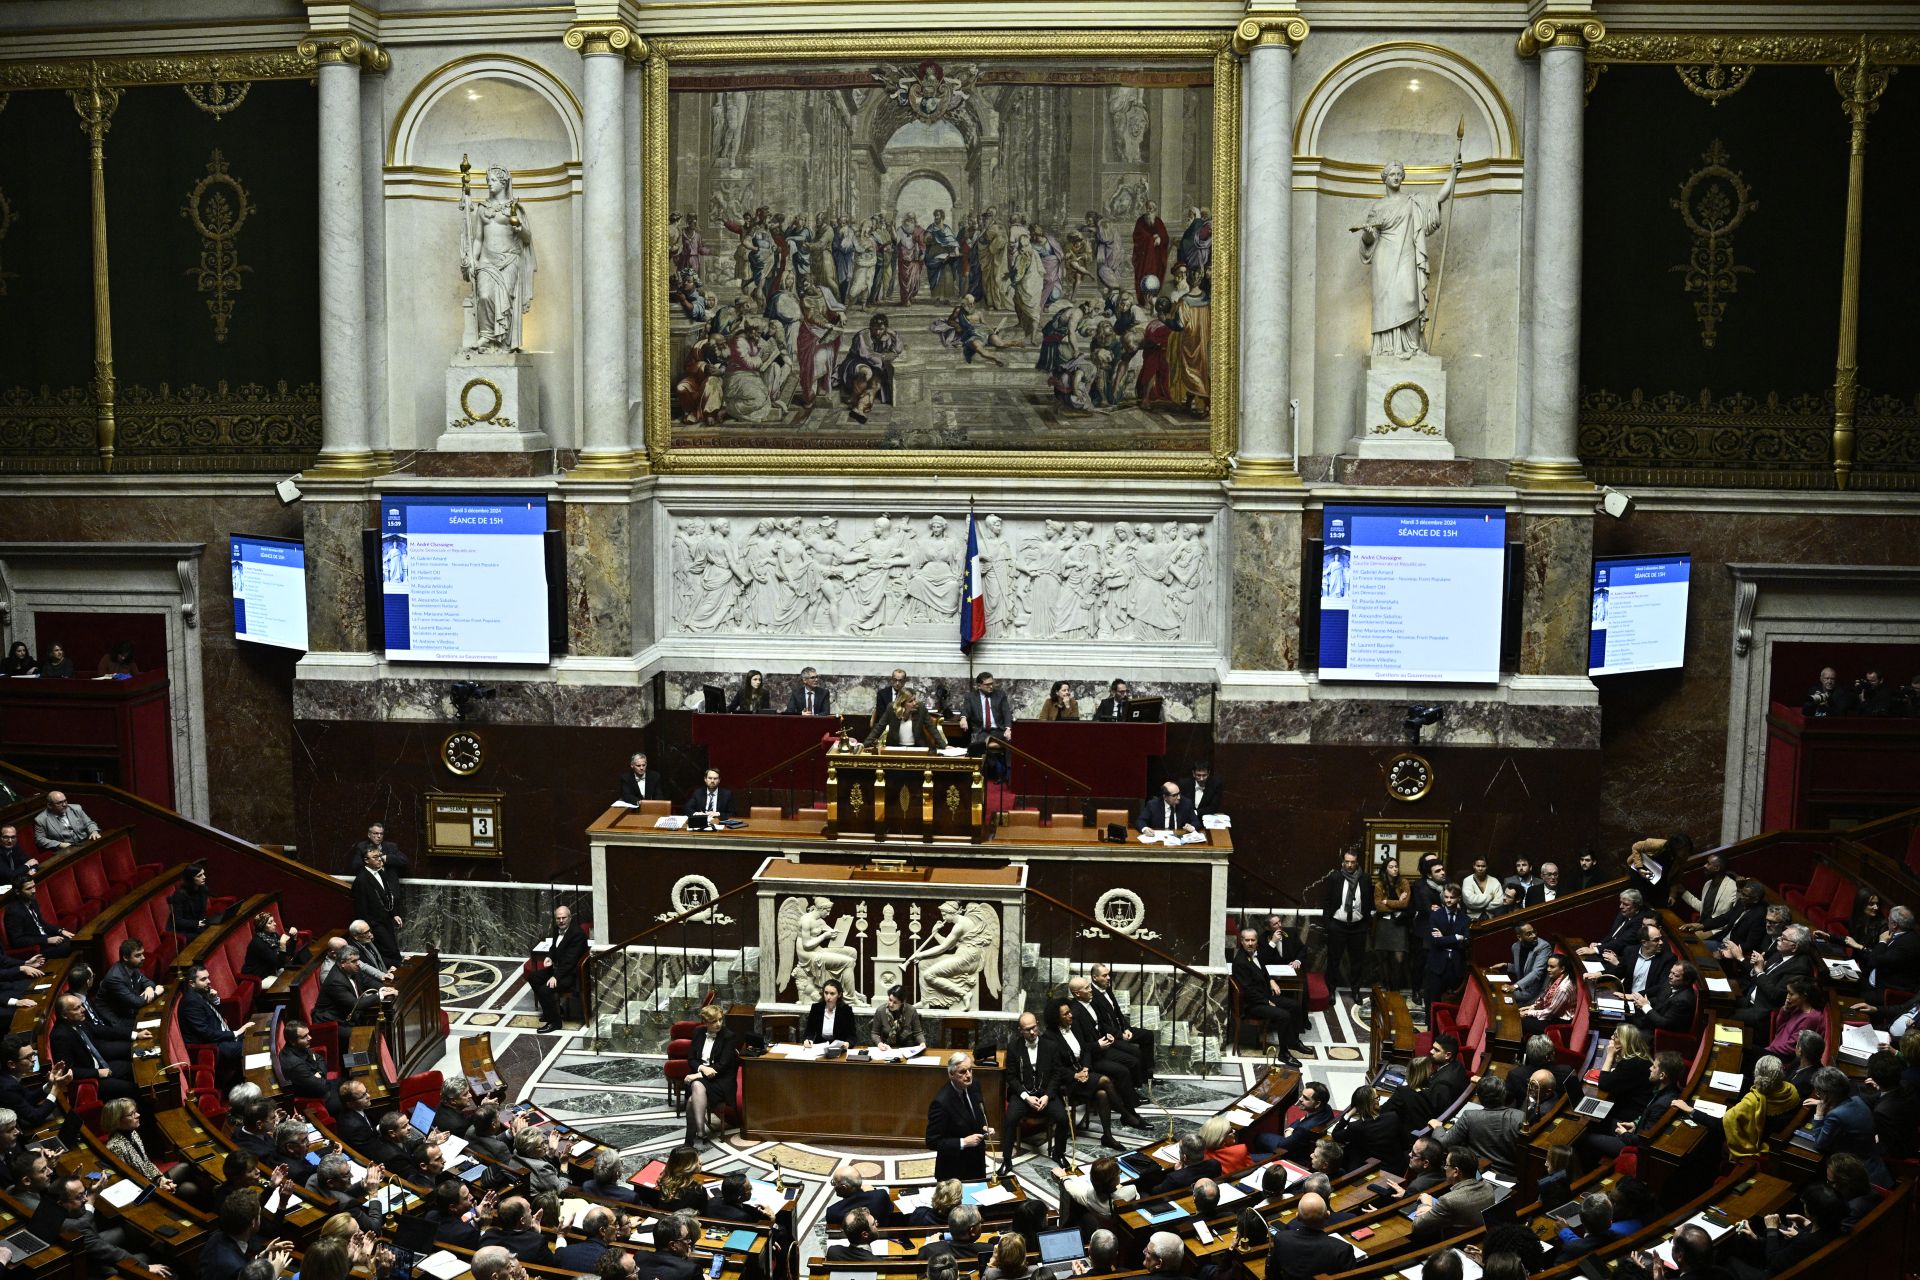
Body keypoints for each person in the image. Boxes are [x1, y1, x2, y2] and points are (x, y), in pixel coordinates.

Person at [1046, 997, 1125, 1148]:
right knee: (1105, 1081)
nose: (1071, 1015)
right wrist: (1075, 1075)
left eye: (1070, 1012)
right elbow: (1055, 1068)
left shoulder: (1074, 1026)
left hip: (1084, 1074)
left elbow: (1086, 1050)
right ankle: (1126, 1114)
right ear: (1056, 1018)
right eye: (1066, 1014)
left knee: (1102, 1095)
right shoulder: (1049, 1037)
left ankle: (1108, 1136)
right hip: (1068, 1082)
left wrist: (1086, 1068)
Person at [999, 1012, 1070, 1172]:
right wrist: (1026, 1097)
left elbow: (1057, 1074)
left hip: (1046, 1094)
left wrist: (1047, 1096)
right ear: (1020, 1030)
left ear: (1037, 1024)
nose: (1032, 1032)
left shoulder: (1051, 1046)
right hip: (1023, 1094)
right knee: (1009, 1120)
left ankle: (1058, 1153)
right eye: (1027, 1030)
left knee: (1063, 1119)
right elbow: (1011, 1077)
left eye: (1034, 1028)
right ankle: (1006, 1160)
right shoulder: (1014, 1047)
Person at [1231, 927, 1302, 1063]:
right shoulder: (1240, 962)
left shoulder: (1255, 954)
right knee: (1284, 1015)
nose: (1250, 943)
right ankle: (1284, 1053)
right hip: (1253, 1004)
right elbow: (1248, 990)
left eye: (1253, 940)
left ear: (1257, 941)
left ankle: (1294, 1042)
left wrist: (1271, 980)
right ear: (1242, 941)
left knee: (1295, 1006)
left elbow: (1263, 969)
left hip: (1264, 996)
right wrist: (1266, 1002)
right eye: (1247, 940)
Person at [180, 963, 256, 1088]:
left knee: (254, 1035)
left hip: (219, 1036)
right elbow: (205, 1033)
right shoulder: (191, 1002)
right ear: (191, 983)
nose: (209, 981)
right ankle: (245, 1085)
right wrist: (235, 1033)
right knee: (251, 1047)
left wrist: (214, 1000)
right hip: (212, 1044)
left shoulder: (200, 993)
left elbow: (215, 1016)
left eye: (208, 977)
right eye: (203, 979)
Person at [51, 992, 135, 1100]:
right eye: (77, 1008)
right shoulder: (60, 1036)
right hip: (91, 1079)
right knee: (131, 1088)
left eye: (81, 1005)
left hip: (101, 1064)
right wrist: (97, 1073)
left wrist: (134, 1034)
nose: (83, 1009)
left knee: (134, 1068)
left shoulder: (78, 1021)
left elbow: (103, 1030)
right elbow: (68, 1070)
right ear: (64, 1015)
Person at [1442, 1074, 1525, 1177]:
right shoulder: (1519, 1116)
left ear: (1479, 1097)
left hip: (1479, 1174)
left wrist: (1437, 1128)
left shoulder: (1470, 1116)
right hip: (1510, 1175)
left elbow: (1444, 1143)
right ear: (1504, 1095)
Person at [1718, 1054, 1800, 1158]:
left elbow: (1725, 1121)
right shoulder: (1791, 1089)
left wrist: (1694, 1112)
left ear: (1756, 1073)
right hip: (1778, 1137)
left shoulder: (1752, 1101)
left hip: (1761, 1143)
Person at [926, 1051, 990, 1180]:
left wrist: (984, 1127)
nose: (968, 1075)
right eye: (962, 1072)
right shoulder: (941, 1103)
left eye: (970, 1070)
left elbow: (977, 1113)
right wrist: (964, 1142)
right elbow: (932, 1141)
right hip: (954, 1170)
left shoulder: (974, 1085)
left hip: (977, 1162)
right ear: (951, 1074)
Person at [1410, 1149, 1496, 1244]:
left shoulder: (1448, 1200)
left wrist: (1427, 1205)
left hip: (1457, 1248)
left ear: (1456, 1171)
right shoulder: (1488, 1187)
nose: (1444, 1168)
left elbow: (1416, 1226)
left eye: (1446, 1165)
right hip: (1480, 1240)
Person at [1088, 963, 1155, 1082]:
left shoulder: (1107, 987)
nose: (1108, 978)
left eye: (1108, 974)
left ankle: (1148, 1075)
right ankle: (1138, 1081)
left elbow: (1118, 1011)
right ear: (1094, 977)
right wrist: (1120, 1035)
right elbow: (1102, 1025)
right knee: (1135, 1052)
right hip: (1111, 1036)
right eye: (1104, 975)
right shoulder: (1091, 995)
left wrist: (1126, 1028)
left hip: (1121, 1029)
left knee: (1148, 1035)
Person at [681, 1003, 737, 1143]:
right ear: (705, 1022)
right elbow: (691, 1059)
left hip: (721, 1080)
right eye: (713, 1021)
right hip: (703, 1078)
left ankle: (694, 1135)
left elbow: (721, 1067)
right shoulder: (698, 1033)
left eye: (720, 1019)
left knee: (693, 1095)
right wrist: (702, 1068)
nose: (718, 1024)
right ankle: (700, 1132)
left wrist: (697, 1074)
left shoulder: (729, 1036)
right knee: (696, 1088)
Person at [1322, 849, 1372, 1002]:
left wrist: (1365, 923)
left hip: (1358, 927)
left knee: (1357, 961)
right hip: (1338, 925)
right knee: (1333, 961)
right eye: (1347, 862)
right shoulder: (1335, 878)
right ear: (1343, 862)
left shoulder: (1364, 878)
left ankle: (1355, 991)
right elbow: (1327, 902)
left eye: (1353, 862)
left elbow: (1368, 901)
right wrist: (1329, 924)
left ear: (1357, 862)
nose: (1349, 865)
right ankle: (1330, 990)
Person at [1266, 1193, 1352, 1280]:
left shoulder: (1281, 1238)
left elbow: (1272, 1272)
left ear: (1298, 1217)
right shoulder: (1342, 1249)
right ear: (1327, 1215)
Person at [533, 903, 589, 1033]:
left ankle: (555, 1023)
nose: (561, 921)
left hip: (570, 975)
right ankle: (550, 1012)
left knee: (545, 989)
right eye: (558, 918)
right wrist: (550, 957)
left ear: (570, 917)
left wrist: (555, 977)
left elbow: (570, 962)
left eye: (564, 918)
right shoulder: (556, 929)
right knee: (533, 977)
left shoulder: (577, 935)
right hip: (559, 970)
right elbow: (554, 947)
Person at [351, 846, 404, 965]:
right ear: (366, 860)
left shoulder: (380, 872)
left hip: (386, 919)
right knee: (389, 950)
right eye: (375, 857)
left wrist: (393, 914)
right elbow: (361, 908)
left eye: (380, 856)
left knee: (393, 948)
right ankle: (397, 973)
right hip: (374, 923)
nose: (379, 859)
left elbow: (387, 896)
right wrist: (369, 930)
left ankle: (399, 969)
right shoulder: (361, 880)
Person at [313, 948, 390, 1025]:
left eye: (358, 960)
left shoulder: (353, 969)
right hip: (333, 1022)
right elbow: (355, 1004)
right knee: (369, 1033)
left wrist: (384, 988)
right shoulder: (336, 981)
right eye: (353, 961)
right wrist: (381, 994)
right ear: (342, 963)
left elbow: (367, 981)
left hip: (349, 1014)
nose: (358, 963)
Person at [1423, 884, 1471, 1007]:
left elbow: (1466, 943)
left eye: (1452, 897)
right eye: (1446, 897)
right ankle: (1431, 1026)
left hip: (1456, 966)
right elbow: (1436, 942)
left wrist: (1444, 938)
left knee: (1454, 1004)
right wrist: (1456, 937)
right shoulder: (1435, 916)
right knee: (1432, 1001)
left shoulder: (1465, 919)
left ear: (1459, 898)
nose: (1448, 900)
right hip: (1437, 965)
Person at [1371, 856, 1413, 993]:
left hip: (1399, 925)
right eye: (1391, 867)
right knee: (1383, 958)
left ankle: (1396, 989)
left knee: (1399, 959)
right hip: (1384, 924)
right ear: (1385, 869)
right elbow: (1378, 907)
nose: (1395, 869)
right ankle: (1387, 987)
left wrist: (1387, 902)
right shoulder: (1379, 885)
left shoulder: (1404, 883)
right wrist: (1397, 904)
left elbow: (1405, 904)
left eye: (1396, 866)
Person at [6, 874, 75, 957]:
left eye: (34, 886)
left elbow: (42, 923)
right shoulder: (13, 911)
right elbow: (17, 940)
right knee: (71, 946)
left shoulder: (32, 901)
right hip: (36, 948)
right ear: (17, 892)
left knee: (75, 940)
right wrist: (46, 940)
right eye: (29, 889)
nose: (34, 890)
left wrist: (60, 930)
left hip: (45, 940)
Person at [865, 686, 947, 750]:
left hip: (917, 748)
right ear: (902, 703)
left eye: (915, 699)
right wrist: (864, 744)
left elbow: (931, 727)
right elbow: (880, 727)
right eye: (911, 701)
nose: (915, 703)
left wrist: (944, 746)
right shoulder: (892, 708)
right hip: (895, 747)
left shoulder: (920, 708)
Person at [1627, 960, 1698, 1033]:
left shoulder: (1683, 1001)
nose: (1670, 976)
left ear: (1687, 980)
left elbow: (1663, 1024)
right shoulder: (1672, 984)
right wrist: (1644, 1001)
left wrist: (1645, 1006)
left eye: (1676, 975)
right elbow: (1659, 1000)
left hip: (1659, 1036)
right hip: (1650, 1023)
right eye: (1671, 972)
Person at [100, 939, 162, 1020]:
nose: (143, 957)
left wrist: (149, 988)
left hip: (131, 1011)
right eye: (138, 955)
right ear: (126, 957)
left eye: (142, 954)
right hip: (118, 1019)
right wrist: (156, 993)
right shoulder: (114, 978)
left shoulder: (132, 967)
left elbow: (147, 981)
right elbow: (136, 1002)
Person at [33, 791, 98, 850]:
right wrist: (59, 844)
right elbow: (40, 840)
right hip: (65, 850)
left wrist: (94, 831)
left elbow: (89, 823)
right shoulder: (40, 819)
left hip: (86, 842)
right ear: (50, 805)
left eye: (65, 801)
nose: (64, 805)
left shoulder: (76, 808)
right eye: (59, 803)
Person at [871, 985, 924, 1049]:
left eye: (895, 1002)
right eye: (890, 1000)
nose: (891, 1004)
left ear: (902, 1002)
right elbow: (874, 1033)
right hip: (887, 1047)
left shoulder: (911, 1010)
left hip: (907, 1047)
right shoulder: (880, 1011)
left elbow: (918, 1032)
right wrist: (879, 1043)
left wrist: (922, 1043)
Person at [803, 977, 852, 1045]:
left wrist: (848, 1043)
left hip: (838, 1046)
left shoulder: (846, 1010)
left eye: (832, 994)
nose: (828, 997)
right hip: (819, 1045)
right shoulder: (816, 1008)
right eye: (826, 993)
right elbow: (809, 1031)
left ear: (839, 995)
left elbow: (852, 1035)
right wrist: (808, 1040)